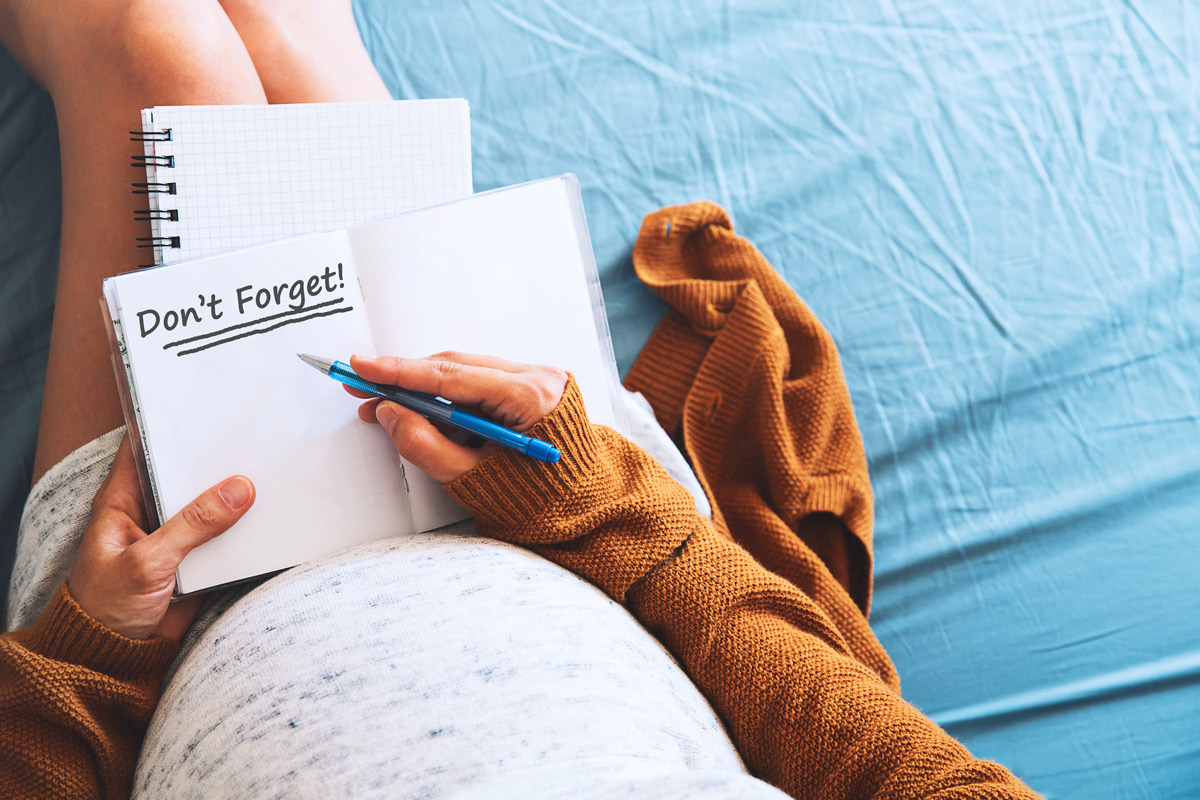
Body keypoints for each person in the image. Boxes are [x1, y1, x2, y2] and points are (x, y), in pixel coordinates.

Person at [0, 2, 1044, 798]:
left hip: (162, 586)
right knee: (291, 41)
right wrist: (610, 509)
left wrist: (90, 652)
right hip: (549, 507)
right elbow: (908, 770)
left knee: (154, 52)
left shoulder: (115, 633)